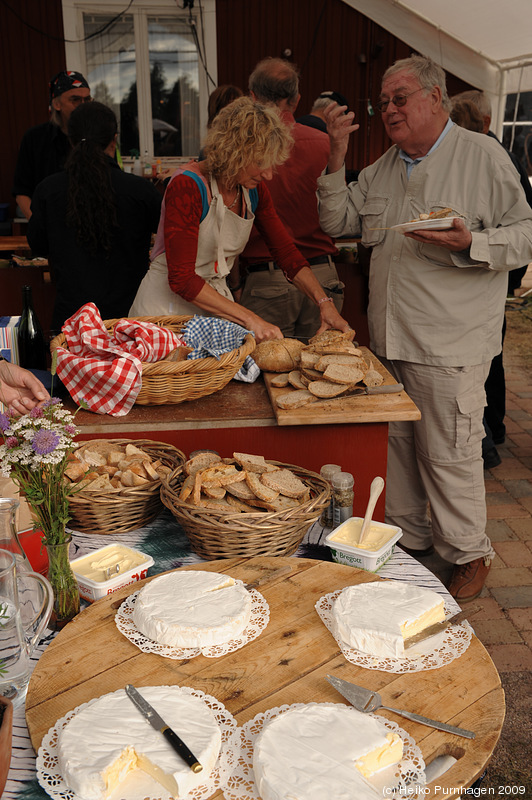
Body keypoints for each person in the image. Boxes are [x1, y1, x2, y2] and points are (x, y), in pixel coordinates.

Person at [317, 54, 532, 601]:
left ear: (436, 98)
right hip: (391, 337)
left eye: (400, 98)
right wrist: (337, 154)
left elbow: (526, 232)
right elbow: (339, 223)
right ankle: (411, 540)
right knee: (400, 445)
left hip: (451, 340)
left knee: (450, 449)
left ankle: (468, 552)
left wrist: (474, 244)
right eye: (382, 101)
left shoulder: (481, 155)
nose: (389, 109)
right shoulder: (383, 165)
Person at [129, 96, 350, 343]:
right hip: (164, 311)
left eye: (271, 164)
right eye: (259, 163)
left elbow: (286, 253)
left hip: (213, 307)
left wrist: (324, 302)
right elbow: (181, 280)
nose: (267, 174)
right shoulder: (187, 186)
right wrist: (251, 318)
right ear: (232, 152)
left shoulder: (253, 191)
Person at [27, 102, 162, 334]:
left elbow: (37, 245)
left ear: (70, 139)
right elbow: (168, 241)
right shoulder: (141, 191)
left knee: (67, 372)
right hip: (129, 323)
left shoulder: (48, 190)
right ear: (114, 140)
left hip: (71, 324)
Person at [451, 89, 532, 469]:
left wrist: (504, 271)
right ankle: (492, 431)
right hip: (488, 278)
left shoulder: (496, 158)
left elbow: (521, 228)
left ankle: (488, 438)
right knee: (489, 360)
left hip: (490, 278)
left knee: (487, 361)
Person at [239, 59, 345, 339]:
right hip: (323, 276)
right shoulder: (326, 144)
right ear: (296, 100)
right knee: (325, 370)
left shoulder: (243, 148)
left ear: (252, 97)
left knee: (262, 375)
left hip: (267, 277)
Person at [12, 71, 92, 220]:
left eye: (87, 100)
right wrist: (40, 227)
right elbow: (21, 192)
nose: (83, 106)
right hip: (48, 225)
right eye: (75, 100)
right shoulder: (34, 138)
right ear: (56, 104)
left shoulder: (97, 136)